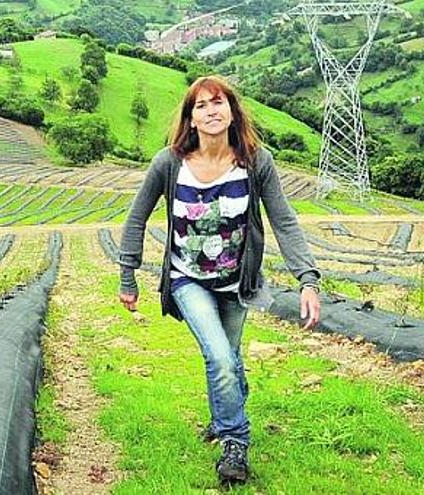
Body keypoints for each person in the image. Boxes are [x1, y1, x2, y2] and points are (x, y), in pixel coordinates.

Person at [117, 75, 321, 484]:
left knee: (229, 357)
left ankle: (223, 418)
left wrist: (308, 279)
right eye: (201, 105)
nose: (211, 111)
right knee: (221, 358)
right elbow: (136, 217)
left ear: (232, 111)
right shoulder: (169, 163)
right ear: (191, 118)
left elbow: (283, 219)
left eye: (219, 102)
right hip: (186, 279)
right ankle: (235, 441)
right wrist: (128, 275)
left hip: (235, 282)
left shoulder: (255, 161)